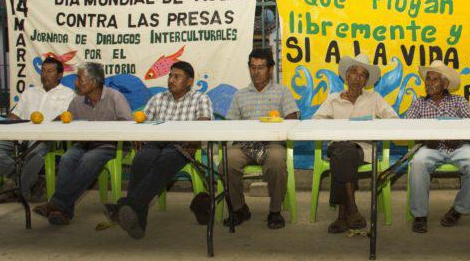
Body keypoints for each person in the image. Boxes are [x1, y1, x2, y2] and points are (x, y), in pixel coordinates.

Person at [106, 61, 213, 239]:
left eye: (177, 77)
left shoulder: (200, 99)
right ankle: (137, 221)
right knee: (141, 159)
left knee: (164, 161)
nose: (171, 80)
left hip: (182, 145)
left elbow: (203, 126)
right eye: (170, 76)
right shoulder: (159, 98)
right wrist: (138, 135)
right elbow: (141, 120)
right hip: (155, 143)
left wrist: (191, 141)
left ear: (189, 81)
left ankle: (126, 207)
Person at [32, 62, 132, 225]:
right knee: (67, 159)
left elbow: (127, 123)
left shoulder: (114, 97)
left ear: (94, 81)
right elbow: (65, 119)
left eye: (80, 79)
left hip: (111, 145)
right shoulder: (77, 101)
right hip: (84, 144)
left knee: (89, 160)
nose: (75, 83)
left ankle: (57, 203)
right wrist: (55, 121)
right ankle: (63, 212)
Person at [313, 54, 398, 233]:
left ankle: (343, 214)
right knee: (343, 150)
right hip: (337, 146)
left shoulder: (374, 98)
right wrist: (336, 127)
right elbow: (316, 121)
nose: (357, 78)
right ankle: (352, 207)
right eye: (353, 73)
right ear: (346, 75)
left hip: (362, 149)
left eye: (362, 75)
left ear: (366, 80)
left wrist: (374, 125)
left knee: (345, 153)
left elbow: (393, 119)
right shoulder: (333, 99)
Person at [405, 61, 470, 233]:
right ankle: (420, 215)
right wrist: (425, 139)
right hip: (430, 147)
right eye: (428, 79)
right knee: (418, 163)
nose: (430, 83)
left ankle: (458, 210)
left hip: (458, 146)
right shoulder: (419, 103)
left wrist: (459, 138)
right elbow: (407, 126)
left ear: (445, 84)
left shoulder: (458, 101)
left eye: (435, 79)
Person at [223, 48, 299, 229]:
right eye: (252, 67)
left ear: (271, 69)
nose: (256, 72)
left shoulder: (282, 92)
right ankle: (240, 208)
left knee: (276, 161)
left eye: (261, 67)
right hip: (244, 145)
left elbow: (293, 119)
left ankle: (275, 212)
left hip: (272, 144)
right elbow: (230, 124)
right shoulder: (239, 94)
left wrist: (279, 122)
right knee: (227, 161)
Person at [0, 57, 74, 202]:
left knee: (36, 152)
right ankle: (31, 180)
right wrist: (8, 121)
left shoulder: (68, 94)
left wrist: (43, 128)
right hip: (20, 137)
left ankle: (21, 190)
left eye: (50, 71)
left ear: (59, 75)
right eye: (43, 71)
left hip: (45, 139)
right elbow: (14, 115)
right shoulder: (30, 92)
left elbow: (63, 117)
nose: (45, 75)